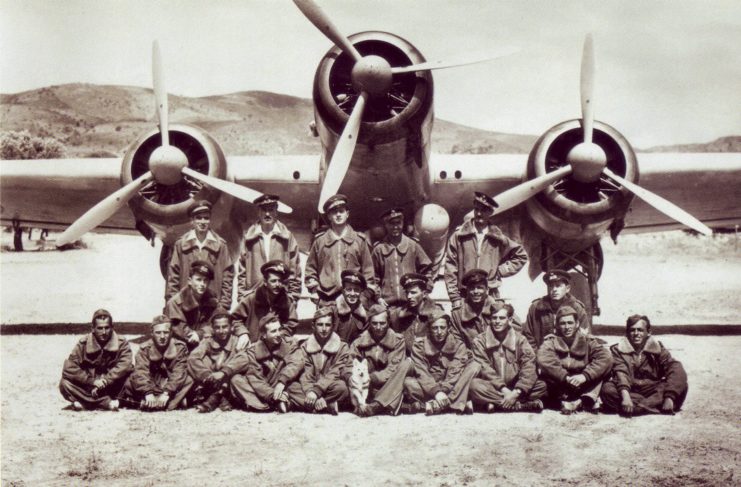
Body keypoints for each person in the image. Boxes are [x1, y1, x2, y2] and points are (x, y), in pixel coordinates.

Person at [444, 192, 527, 310]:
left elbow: (521, 255)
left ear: (491, 212)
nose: (479, 213)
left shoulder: (498, 237)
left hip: (490, 294)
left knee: (492, 325)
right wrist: (455, 297)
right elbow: (450, 267)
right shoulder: (459, 236)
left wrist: (500, 271)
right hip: (465, 295)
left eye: (484, 210)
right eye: (476, 209)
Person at [601, 315, 688, 416]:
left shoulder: (657, 349)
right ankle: (650, 407)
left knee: (681, 386)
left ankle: (636, 409)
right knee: (607, 389)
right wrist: (626, 397)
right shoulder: (618, 350)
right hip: (630, 390)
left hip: (653, 389)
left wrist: (670, 396)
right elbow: (621, 373)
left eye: (640, 330)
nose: (636, 334)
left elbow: (674, 367)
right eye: (632, 330)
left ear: (648, 332)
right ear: (627, 333)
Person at [469, 303, 546, 412]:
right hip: (494, 387)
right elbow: (485, 368)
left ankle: (495, 404)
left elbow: (529, 366)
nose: (497, 321)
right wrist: (504, 390)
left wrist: (517, 392)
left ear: (509, 320)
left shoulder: (520, 340)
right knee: (474, 386)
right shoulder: (480, 341)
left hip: (516, 386)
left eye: (501, 318)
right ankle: (521, 406)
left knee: (542, 386)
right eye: (494, 318)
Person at [537, 306, 612, 414]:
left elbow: (606, 357)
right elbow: (543, 359)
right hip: (561, 383)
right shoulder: (551, 341)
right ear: (557, 325)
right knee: (544, 380)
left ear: (577, 324)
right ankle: (575, 402)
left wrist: (584, 376)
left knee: (601, 373)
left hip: (582, 383)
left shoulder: (588, 341)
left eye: (570, 323)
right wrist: (565, 377)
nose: (567, 327)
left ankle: (580, 401)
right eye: (562, 323)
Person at [305, 194, 376, 305]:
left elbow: (369, 272)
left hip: (354, 299)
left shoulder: (359, 240)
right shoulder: (320, 241)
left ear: (347, 214)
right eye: (334, 212)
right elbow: (310, 270)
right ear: (329, 216)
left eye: (341, 211)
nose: (338, 215)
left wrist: (364, 297)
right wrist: (315, 291)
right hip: (326, 299)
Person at [404, 309, 478, 415]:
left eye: (442, 327)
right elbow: (422, 373)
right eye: (435, 328)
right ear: (429, 329)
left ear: (448, 328)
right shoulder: (419, 346)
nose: (439, 332)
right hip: (429, 387)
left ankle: (433, 405)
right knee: (408, 383)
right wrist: (436, 391)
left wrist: (443, 389)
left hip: (452, 385)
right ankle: (456, 402)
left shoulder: (458, 345)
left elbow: (455, 371)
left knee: (473, 368)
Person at [164, 200, 234, 309]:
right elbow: (173, 275)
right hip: (186, 305)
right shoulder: (181, 244)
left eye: (206, 218)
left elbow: (227, 276)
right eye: (198, 218)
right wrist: (173, 304)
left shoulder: (221, 245)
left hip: (212, 304)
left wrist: (224, 305)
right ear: (192, 221)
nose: (203, 221)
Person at [59, 309, 133, 411]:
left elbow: (126, 364)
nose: (104, 332)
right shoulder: (83, 343)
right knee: (64, 383)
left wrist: (106, 380)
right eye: (100, 328)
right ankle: (106, 403)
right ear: (93, 328)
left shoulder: (122, 343)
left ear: (112, 327)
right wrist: (92, 381)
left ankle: (85, 403)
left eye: (107, 328)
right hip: (90, 388)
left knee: (132, 378)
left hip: (113, 386)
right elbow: (69, 368)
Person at [230, 313, 303, 413]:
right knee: (236, 380)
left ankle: (283, 401)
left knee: (297, 387)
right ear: (264, 334)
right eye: (273, 331)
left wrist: (282, 381)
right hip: (263, 389)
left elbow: (296, 363)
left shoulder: (290, 343)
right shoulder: (253, 351)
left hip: (283, 384)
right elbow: (255, 378)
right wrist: (271, 394)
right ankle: (273, 403)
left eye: (279, 329)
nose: (278, 334)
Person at [347, 304, 411, 417]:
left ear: (388, 323)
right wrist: (355, 378)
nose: (378, 327)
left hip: (389, 383)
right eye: (374, 323)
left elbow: (393, 369)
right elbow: (349, 363)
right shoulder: (359, 342)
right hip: (366, 387)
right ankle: (389, 403)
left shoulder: (397, 341)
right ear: (369, 324)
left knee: (406, 364)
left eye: (382, 323)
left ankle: (377, 406)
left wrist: (373, 377)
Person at [121, 315, 193, 411]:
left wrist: (167, 392)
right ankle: (173, 403)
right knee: (129, 381)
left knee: (189, 379)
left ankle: (150, 404)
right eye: (158, 333)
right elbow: (141, 371)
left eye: (166, 332)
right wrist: (147, 392)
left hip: (170, 385)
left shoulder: (180, 347)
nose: (162, 337)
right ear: (152, 333)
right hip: (152, 384)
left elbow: (179, 372)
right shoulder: (145, 348)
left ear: (171, 333)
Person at [237, 194, 302, 301]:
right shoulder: (249, 238)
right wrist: (241, 297)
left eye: (271, 210)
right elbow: (242, 271)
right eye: (263, 210)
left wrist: (293, 298)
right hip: (254, 296)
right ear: (258, 212)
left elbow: (294, 269)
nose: (267, 214)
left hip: (281, 297)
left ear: (276, 212)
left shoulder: (287, 237)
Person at [187, 310, 249, 413]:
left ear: (231, 327)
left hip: (229, 380)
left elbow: (244, 359)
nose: (221, 331)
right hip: (212, 381)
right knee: (202, 359)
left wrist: (223, 372)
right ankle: (220, 396)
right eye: (217, 327)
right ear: (212, 329)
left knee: (236, 363)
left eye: (225, 327)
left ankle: (214, 399)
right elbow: (193, 357)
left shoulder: (237, 341)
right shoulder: (208, 341)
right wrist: (207, 375)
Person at [293, 306, 350, 414]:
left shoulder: (342, 347)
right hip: (310, 387)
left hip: (329, 386)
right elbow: (306, 373)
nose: (324, 329)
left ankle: (309, 405)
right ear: (313, 326)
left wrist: (317, 391)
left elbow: (335, 372)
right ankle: (327, 405)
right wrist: (311, 392)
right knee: (292, 387)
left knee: (342, 388)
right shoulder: (305, 346)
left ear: (333, 326)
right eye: (320, 324)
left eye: (327, 325)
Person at [372, 207, 432, 307]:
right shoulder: (379, 249)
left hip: (411, 304)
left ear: (402, 223)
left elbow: (427, 270)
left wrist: (425, 291)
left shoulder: (413, 246)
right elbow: (373, 277)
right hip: (387, 305)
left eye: (398, 223)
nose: (395, 227)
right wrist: (378, 298)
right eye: (391, 223)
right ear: (385, 225)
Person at [231, 260, 298, 347]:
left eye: (280, 281)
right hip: (253, 346)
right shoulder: (252, 299)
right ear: (265, 282)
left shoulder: (287, 301)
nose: (277, 285)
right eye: (273, 281)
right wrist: (243, 333)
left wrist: (281, 335)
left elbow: (292, 323)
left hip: (277, 345)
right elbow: (235, 319)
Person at [523, 270, 590, 351]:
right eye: (551, 286)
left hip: (569, 357)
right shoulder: (536, 307)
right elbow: (528, 336)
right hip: (541, 356)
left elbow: (583, 337)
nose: (554, 289)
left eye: (558, 286)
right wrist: (538, 356)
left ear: (567, 288)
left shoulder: (577, 308)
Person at [164, 260, 219, 348]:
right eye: (198, 280)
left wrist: (200, 334)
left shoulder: (212, 298)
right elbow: (178, 327)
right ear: (189, 281)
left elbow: (218, 320)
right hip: (180, 344)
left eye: (205, 281)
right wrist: (194, 336)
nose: (202, 284)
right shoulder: (176, 302)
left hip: (204, 341)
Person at [389, 273, 443, 354]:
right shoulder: (400, 314)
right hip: (405, 359)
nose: (409, 296)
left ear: (424, 294)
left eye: (413, 292)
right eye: (407, 293)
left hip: (429, 359)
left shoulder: (435, 312)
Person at [450, 268, 503, 350]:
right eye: (472, 288)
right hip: (470, 358)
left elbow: (513, 335)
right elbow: (456, 343)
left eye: (480, 287)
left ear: (487, 290)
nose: (476, 291)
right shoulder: (457, 314)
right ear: (467, 290)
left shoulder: (500, 309)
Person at [333, 270, 370, 344]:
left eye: (356, 290)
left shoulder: (364, 315)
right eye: (349, 289)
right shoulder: (334, 310)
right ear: (343, 291)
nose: (352, 294)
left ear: (360, 292)